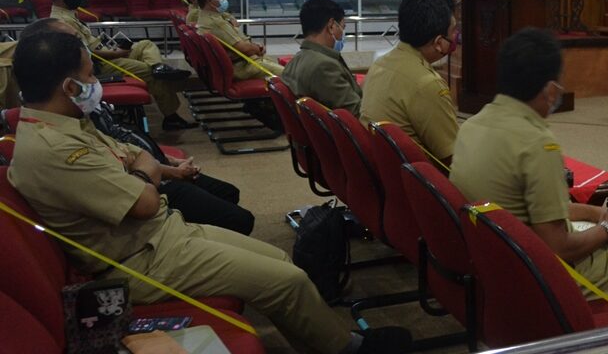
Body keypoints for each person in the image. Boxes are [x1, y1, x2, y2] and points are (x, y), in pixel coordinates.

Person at [6, 31, 411, 354]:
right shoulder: (56, 150)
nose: (96, 83)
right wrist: (146, 169)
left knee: (278, 258)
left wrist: (144, 168)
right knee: (286, 280)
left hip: (161, 236)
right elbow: (144, 201)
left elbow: (132, 156)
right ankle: (348, 348)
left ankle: (320, 341)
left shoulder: (65, 123)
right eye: (91, 75)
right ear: (69, 86)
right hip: (138, 261)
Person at [451, 28, 608, 316]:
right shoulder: (537, 143)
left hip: (496, 262)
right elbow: (558, 247)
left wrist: (596, 214)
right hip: (543, 277)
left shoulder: (473, 124)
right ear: (550, 89)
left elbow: (535, 210)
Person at [18, 17, 255, 235]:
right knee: (239, 219)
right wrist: (166, 170)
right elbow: (136, 190)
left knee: (228, 195)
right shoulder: (65, 124)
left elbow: (123, 145)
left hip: (152, 169)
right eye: (72, 41)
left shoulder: (75, 112)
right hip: (148, 192)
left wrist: (163, 161)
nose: (78, 45)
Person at [48, 0, 195, 131]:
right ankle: (171, 117)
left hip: (107, 52)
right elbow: (87, 54)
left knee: (146, 44)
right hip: (102, 64)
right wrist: (114, 54)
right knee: (151, 73)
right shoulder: (63, 22)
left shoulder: (68, 14)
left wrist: (115, 51)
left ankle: (158, 66)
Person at [360, 0, 458, 166]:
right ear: (438, 43)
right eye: (453, 31)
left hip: (381, 171)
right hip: (418, 184)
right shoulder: (428, 83)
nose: (455, 37)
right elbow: (452, 157)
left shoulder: (380, 63)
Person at [283, 0, 362, 116]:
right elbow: (357, 112)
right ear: (331, 26)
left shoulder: (295, 61)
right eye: (342, 27)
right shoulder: (325, 67)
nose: (343, 33)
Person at [194, 0, 284, 79]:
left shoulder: (205, 17)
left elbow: (226, 15)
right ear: (209, 1)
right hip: (244, 67)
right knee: (292, 76)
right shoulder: (217, 23)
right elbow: (245, 49)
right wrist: (259, 48)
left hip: (239, 63)